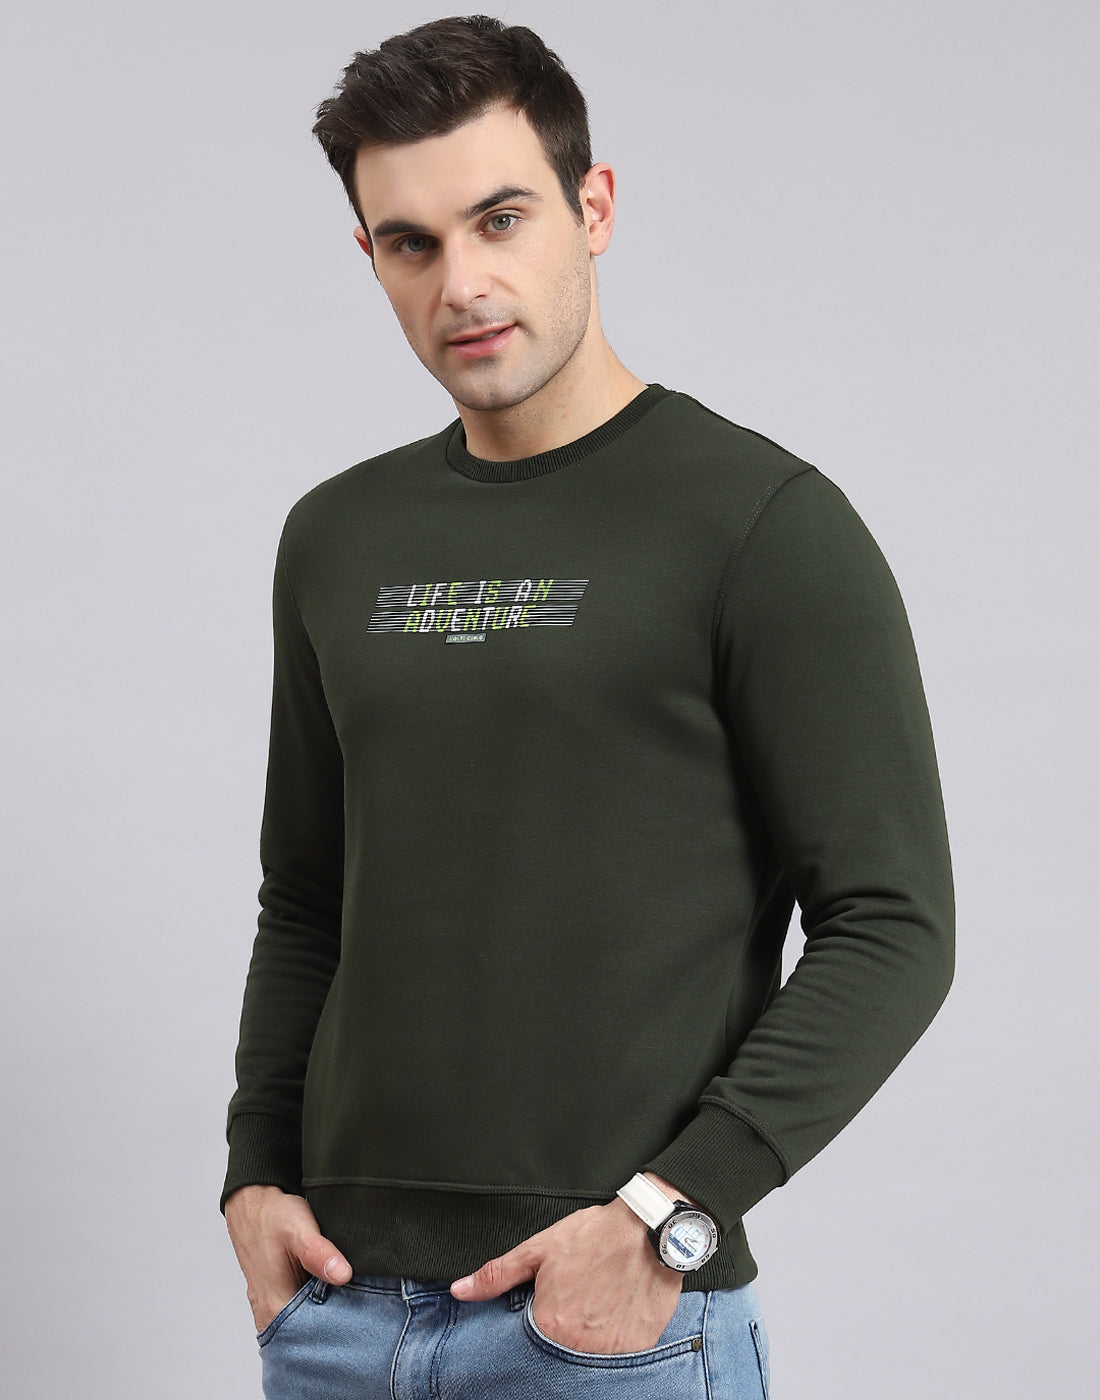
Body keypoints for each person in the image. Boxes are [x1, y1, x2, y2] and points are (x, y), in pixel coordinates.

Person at [222, 15, 955, 1398]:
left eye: (501, 219)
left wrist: (674, 1210)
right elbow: (308, 895)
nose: (464, 284)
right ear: (370, 257)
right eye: (412, 243)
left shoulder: (763, 524)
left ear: (594, 206)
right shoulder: (336, 536)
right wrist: (253, 1174)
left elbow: (894, 924)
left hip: (606, 1333)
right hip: (334, 1321)